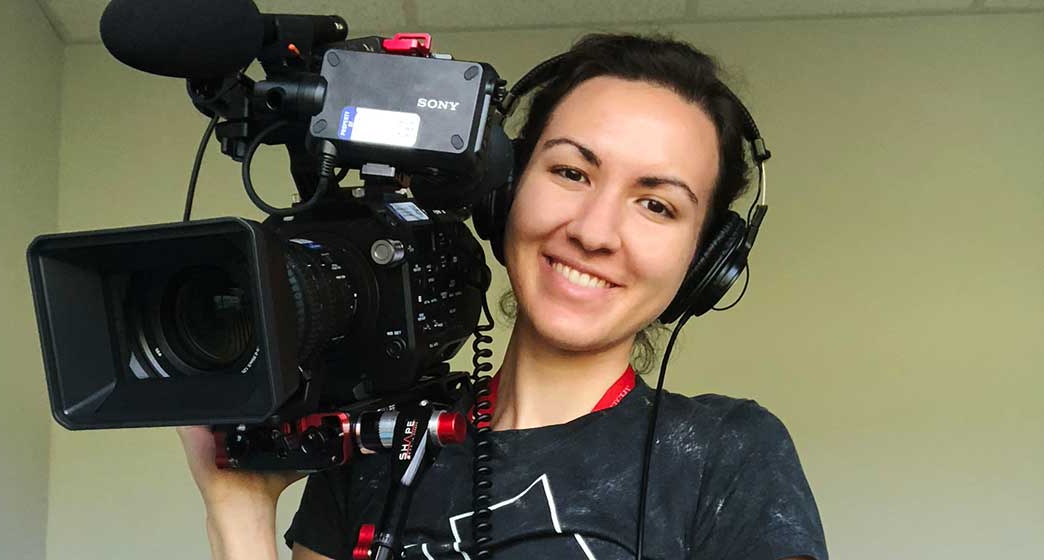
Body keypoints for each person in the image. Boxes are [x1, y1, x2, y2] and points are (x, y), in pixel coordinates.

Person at [178, 33, 827, 559]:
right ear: (505, 192)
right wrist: (238, 506)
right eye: (571, 172)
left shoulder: (728, 452)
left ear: (704, 259)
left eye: (656, 205)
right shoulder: (383, 434)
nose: (595, 231)